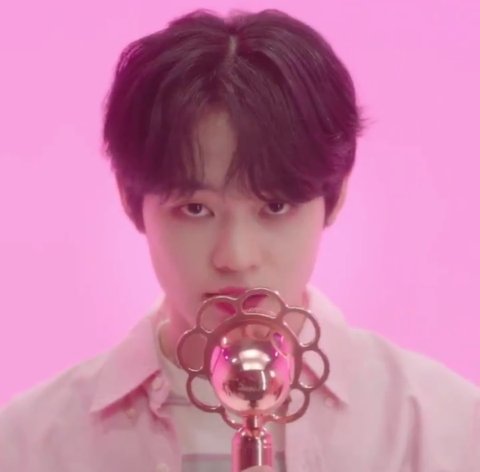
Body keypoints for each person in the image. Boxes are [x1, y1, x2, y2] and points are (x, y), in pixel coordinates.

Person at [1, 8, 479, 472]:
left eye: (275, 207)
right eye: (196, 209)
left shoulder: (443, 429)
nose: (236, 257)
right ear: (131, 200)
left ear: (333, 199)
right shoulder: (28, 445)